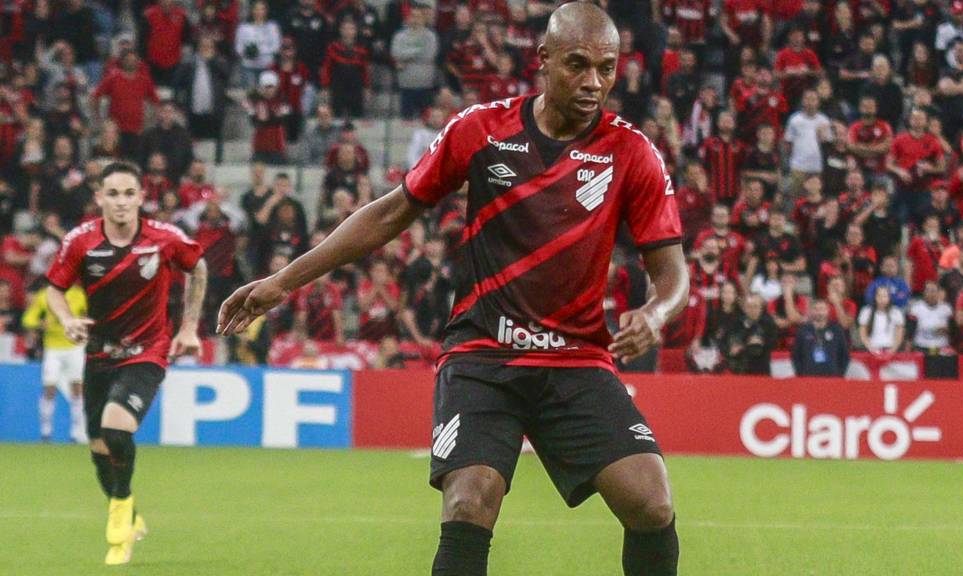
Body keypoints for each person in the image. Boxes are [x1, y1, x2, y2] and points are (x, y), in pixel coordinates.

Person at [219, 4, 687, 575]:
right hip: (482, 354)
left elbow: (672, 273)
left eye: (607, 69)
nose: (593, 82)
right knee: (470, 499)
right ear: (543, 60)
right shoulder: (481, 130)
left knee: (651, 501)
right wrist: (282, 282)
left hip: (576, 359)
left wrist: (657, 313)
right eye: (577, 65)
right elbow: (391, 212)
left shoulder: (631, 153)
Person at [45, 162, 207, 565]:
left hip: (148, 350)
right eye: (112, 194)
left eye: (128, 193)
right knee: (99, 449)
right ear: (99, 198)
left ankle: (119, 512)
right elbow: (54, 289)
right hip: (99, 353)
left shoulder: (164, 238)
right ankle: (129, 511)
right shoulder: (80, 241)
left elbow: (198, 266)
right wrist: (67, 320)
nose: (120, 202)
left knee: (117, 427)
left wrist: (188, 328)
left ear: (141, 197)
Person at [22, 283, 88, 443]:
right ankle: (46, 432)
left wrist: (82, 322)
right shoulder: (45, 294)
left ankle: (75, 433)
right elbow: (28, 319)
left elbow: (89, 316)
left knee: (77, 389)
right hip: (53, 348)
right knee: (49, 388)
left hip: (75, 347)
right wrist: (40, 324)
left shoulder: (79, 294)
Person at [792, 299, 850, 377]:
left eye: (822, 309)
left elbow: (844, 355)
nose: (819, 312)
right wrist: (801, 374)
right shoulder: (803, 330)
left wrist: (839, 375)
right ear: (810, 311)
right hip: (808, 377)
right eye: (816, 309)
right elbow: (796, 355)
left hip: (832, 377)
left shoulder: (837, 330)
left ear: (828, 310)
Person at [908, 281, 954, 354]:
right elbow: (910, 331)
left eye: (933, 291)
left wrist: (947, 329)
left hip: (942, 347)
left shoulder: (946, 308)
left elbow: (953, 329)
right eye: (928, 291)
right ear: (924, 293)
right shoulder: (916, 308)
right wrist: (908, 350)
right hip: (921, 346)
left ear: (938, 293)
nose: (930, 294)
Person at [858, 285, 905, 354]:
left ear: (889, 298)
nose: (881, 299)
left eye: (885, 296)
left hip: (890, 348)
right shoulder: (866, 311)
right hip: (871, 349)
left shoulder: (896, 312)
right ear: (874, 297)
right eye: (879, 296)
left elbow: (899, 334)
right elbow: (863, 334)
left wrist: (892, 350)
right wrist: (871, 349)